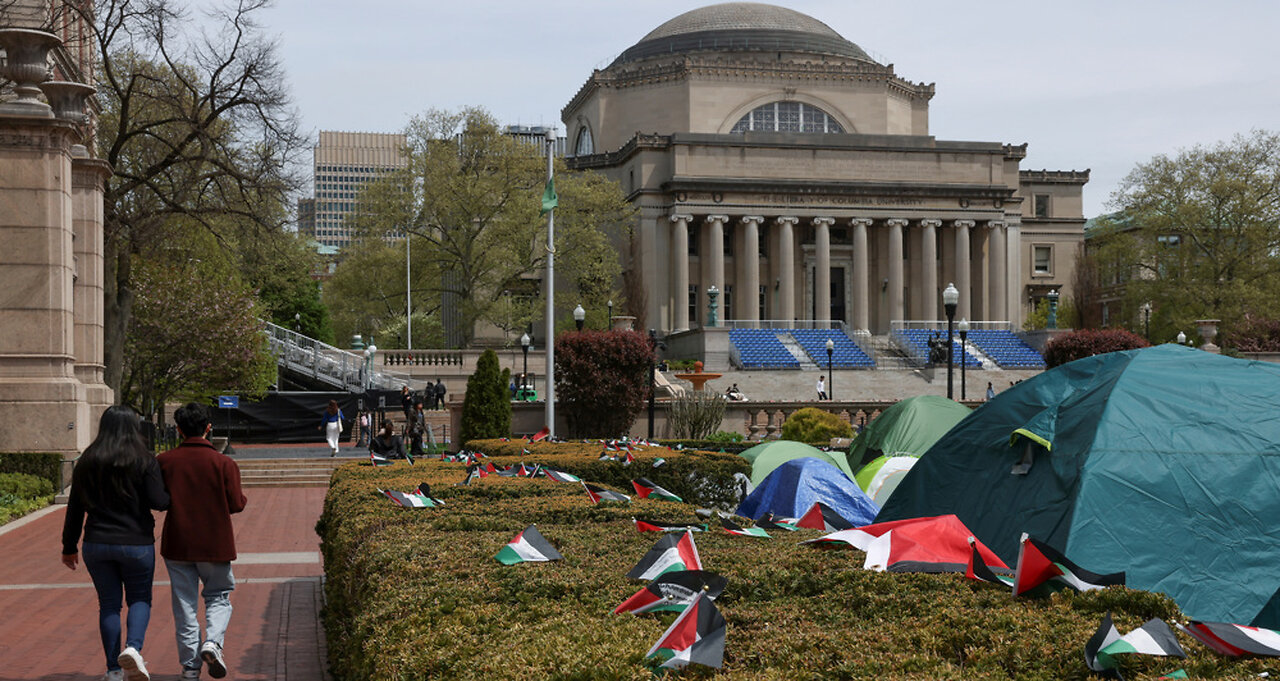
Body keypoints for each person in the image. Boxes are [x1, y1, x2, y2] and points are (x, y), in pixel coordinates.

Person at [62, 406, 171, 681]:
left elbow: (75, 508)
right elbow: (159, 501)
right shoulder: (144, 460)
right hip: (136, 542)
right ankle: (133, 648)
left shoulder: (88, 459)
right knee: (139, 599)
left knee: (109, 605)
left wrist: (68, 546)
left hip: (96, 542)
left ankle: (112, 669)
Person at [158, 402, 247, 680]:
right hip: (214, 541)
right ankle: (212, 642)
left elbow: (159, 500)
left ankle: (190, 666)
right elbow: (236, 504)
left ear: (179, 429)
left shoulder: (164, 461)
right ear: (209, 428)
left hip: (178, 542)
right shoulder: (224, 463)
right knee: (218, 596)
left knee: (184, 604)